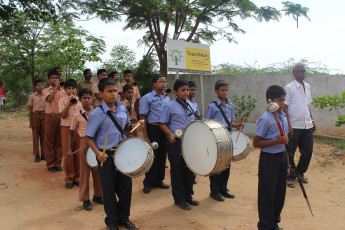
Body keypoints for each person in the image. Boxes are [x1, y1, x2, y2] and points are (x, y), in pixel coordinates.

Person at [86, 78, 143, 230]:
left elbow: (125, 127)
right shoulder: (96, 114)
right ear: (100, 94)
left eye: (115, 91)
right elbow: (88, 138)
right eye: (109, 91)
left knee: (126, 188)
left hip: (122, 153)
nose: (113, 94)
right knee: (109, 191)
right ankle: (111, 222)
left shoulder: (122, 108)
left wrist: (134, 126)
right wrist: (98, 154)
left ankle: (123, 219)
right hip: (106, 156)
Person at [253, 85, 290, 230]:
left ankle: (274, 222)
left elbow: (285, 143)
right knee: (267, 194)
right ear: (270, 101)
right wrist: (276, 141)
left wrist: (286, 164)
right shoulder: (265, 119)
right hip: (268, 160)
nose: (282, 103)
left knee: (280, 193)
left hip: (281, 158)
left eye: (284, 100)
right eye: (279, 100)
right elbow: (256, 142)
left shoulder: (283, 117)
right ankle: (265, 225)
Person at [159, 79, 198, 210]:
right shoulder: (169, 106)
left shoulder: (193, 105)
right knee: (177, 170)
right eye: (183, 90)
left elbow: (197, 121)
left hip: (190, 142)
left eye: (187, 90)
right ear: (175, 92)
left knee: (190, 170)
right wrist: (169, 134)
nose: (186, 92)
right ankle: (179, 198)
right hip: (176, 142)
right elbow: (162, 124)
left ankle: (188, 196)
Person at [205, 80, 242, 201]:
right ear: (216, 91)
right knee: (216, 164)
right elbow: (207, 122)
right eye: (222, 90)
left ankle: (223, 188)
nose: (225, 92)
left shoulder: (230, 105)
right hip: (216, 137)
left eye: (226, 90)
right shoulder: (212, 106)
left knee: (226, 163)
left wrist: (237, 125)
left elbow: (230, 122)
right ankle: (214, 191)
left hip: (228, 135)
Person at [70, 88, 102, 211]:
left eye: (89, 98)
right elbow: (71, 132)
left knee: (98, 169)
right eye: (84, 98)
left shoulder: (97, 112)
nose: (87, 100)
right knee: (84, 172)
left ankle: (98, 195)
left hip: (96, 142)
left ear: (92, 99)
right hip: (83, 142)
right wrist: (68, 149)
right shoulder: (77, 114)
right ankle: (85, 199)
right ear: (80, 99)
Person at [284, 63, 316, 185]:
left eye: (304, 71)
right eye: (301, 71)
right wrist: (289, 125)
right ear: (295, 73)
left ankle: (300, 172)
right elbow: (285, 108)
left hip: (307, 124)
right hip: (294, 125)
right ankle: (290, 176)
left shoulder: (307, 86)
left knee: (307, 151)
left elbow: (307, 105)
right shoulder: (289, 87)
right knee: (290, 152)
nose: (304, 73)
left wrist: (312, 120)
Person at [140, 75, 170, 194]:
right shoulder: (147, 98)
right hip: (153, 128)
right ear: (154, 84)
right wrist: (146, 136)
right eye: (161, 82)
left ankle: (159, 180)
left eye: (165, 82)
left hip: (164, 129)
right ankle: (148, 182)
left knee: (162, 155)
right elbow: (143, 117)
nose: (164, 84)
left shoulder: (167, 98)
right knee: (152, 156)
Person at [58, 79, 82, 189]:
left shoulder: (80, 101)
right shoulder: (62, 100)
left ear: (76, 89)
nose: (71, 90)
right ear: (65, 89)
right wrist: (69, 103)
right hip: (66, 129)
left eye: (73, 88)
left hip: (77, 130)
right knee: (68, 154)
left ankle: (78, 177)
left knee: (78, 154)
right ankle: (69, 178)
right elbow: (63, 115)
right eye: (68, 88)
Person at [43, 70, 64, 172]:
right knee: (49, 141)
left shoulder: (63, 91)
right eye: (52, 78)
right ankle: (50, 164)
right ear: (48, 80)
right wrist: (56, 87)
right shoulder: (46, 90)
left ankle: (58, 163)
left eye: (56, 78)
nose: (55, 80)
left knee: (59, 141)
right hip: (50, 117)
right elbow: (50, 99)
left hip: (60, 117)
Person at [28, 79, 46, 162]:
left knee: (44, 136)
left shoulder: (46, 95)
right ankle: (36, 155)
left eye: (41, 85)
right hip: (35, 116)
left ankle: (43, 154)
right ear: (35, 87)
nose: (40, 86)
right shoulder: (32, 96)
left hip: (44, 116)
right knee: (35, 136)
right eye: (38, 85)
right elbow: (30, 109)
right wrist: (31, 122)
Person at [187, 81, 200, 185]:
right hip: (185, 132)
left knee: (194, 155)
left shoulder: (195, 103)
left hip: (194, 132)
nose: (193, 91)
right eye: (191, 89)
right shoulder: (184, 102)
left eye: (195, 90)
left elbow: (198, 116)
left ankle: (192, 176)